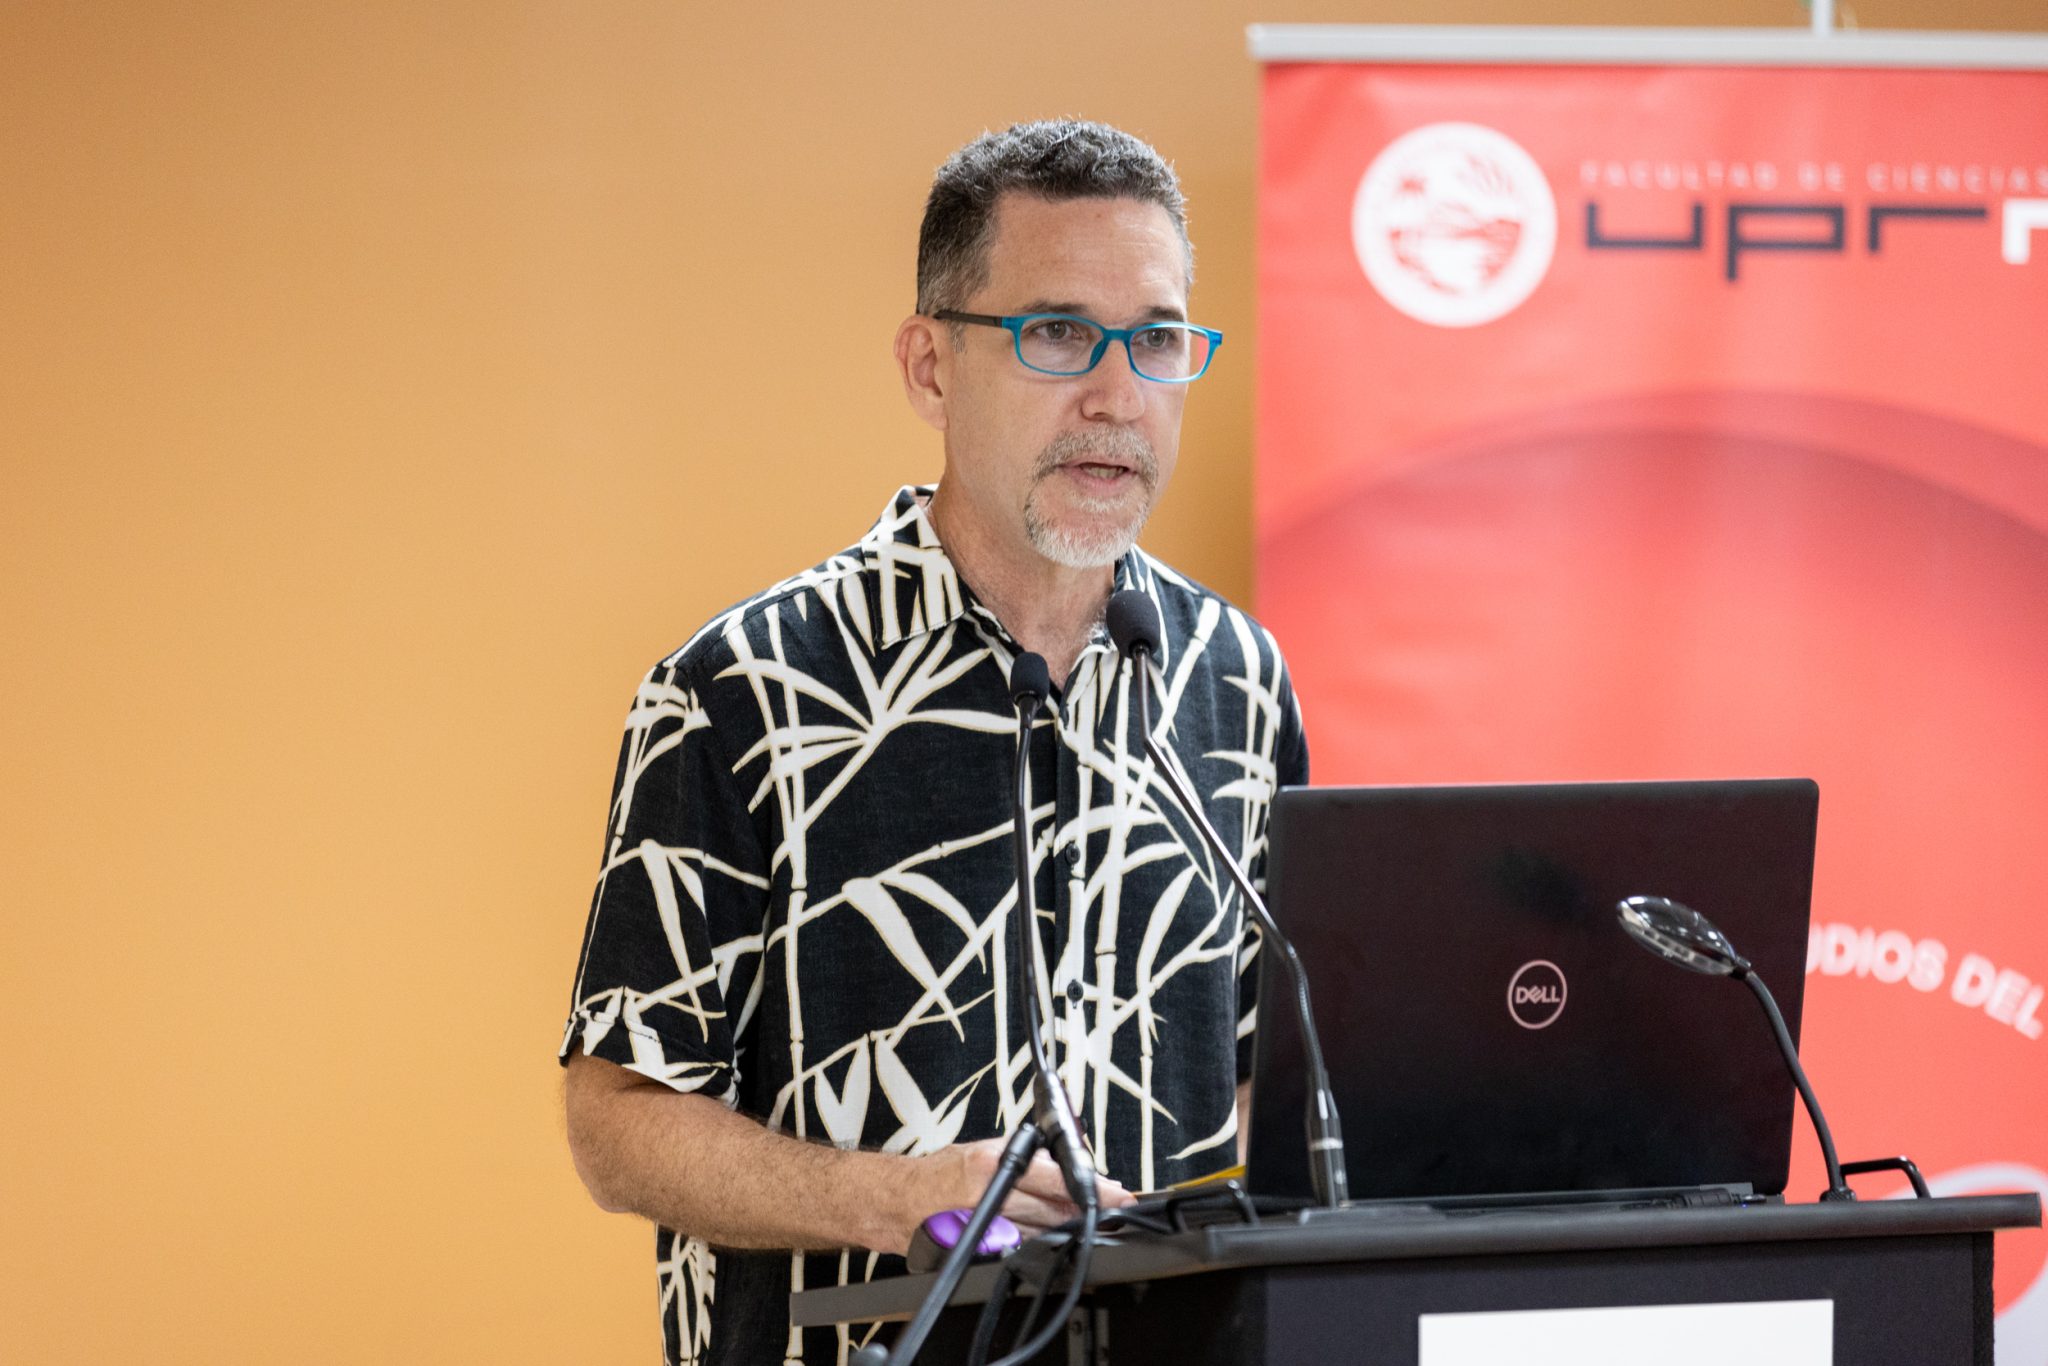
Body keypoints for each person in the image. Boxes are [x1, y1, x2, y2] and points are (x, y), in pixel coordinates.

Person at [560, 118, 1309, 1366]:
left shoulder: (1236, 678)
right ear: (929, 369)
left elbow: (1270, 1074)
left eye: (1159, 339)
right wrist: (886, 1194)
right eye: (1057, 332)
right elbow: (615, 1118)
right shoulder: (744, 688)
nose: (1118, 395)